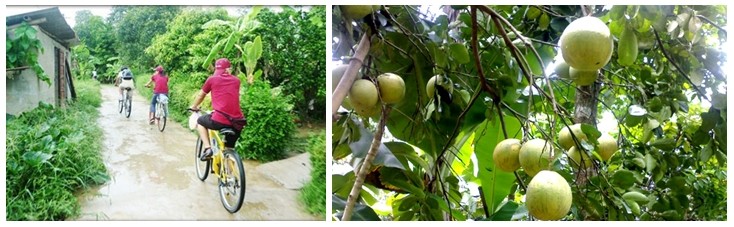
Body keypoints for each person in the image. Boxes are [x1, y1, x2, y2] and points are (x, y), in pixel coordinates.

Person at [189, 58, 247, 160]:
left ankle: (208, 149)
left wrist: (194, 107)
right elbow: (228, 97)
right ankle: (230, 174)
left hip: (219, 120)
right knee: (230, 148)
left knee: (200, 121)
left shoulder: (212, 79)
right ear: (229, 69)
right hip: (237, 122)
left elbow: (200, 96)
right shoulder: (237, 81)